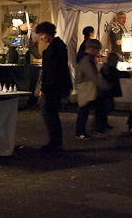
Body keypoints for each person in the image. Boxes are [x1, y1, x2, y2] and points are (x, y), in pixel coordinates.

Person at [34, 21, 73, 152]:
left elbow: (51, 71)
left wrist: (44, 88)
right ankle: (55, 141)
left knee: (48, 113)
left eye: (41, 34)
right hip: (56, 86)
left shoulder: (55, 48)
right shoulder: (59, 46)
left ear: (47, 33)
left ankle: (55, 142)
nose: (41, 37)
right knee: (51, 114)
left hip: (52, 87)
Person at [74, 39, 109, 139]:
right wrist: (104, 85)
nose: (98, 53)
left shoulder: (85, 58)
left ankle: (84, 131)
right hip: (87, 89)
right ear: (93, 49)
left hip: (87, 89)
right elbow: (92, 76)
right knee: (85, 111)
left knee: (86, 110)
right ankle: (81, 132)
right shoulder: (87, 60)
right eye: (97, 50)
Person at [100, 52, 130, 130]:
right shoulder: (111, 69)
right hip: (109, 90)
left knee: (106, 107)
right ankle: (102, 124)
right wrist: (129, 74)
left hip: (106, 91)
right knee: (108, 107)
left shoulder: (105, 68)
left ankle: (103, 123)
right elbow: (118, 74)